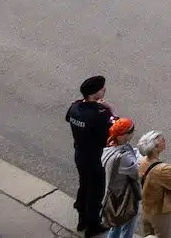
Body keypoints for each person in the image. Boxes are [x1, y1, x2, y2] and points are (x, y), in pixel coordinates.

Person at [66, 76, 116, 238]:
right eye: (102, 89)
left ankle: (82, 219)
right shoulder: (100, 114)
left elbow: (69, 117)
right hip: (96, 158)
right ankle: (92, 226)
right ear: (95, 94)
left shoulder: (75, 107)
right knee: (96, 192)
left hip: (80, 154)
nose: (105, 89)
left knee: (84, 186)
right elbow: (116, 129)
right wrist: (111, 110)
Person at [99, 118, 141, 238]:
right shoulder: (122, 157)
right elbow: (136, 173)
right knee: (128, 225)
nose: (133, 133)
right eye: (131, 131)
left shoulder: (110, 146)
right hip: (124, 196)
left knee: (116, 224)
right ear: (123, 135)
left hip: (113, 193)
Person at [134, 133, 171, 238]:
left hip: (146, 208)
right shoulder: (163, 169)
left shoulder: (142, 162)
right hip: (160, 212)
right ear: (154, 148)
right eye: (161, 140)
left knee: (148, 234)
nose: (164, 140)